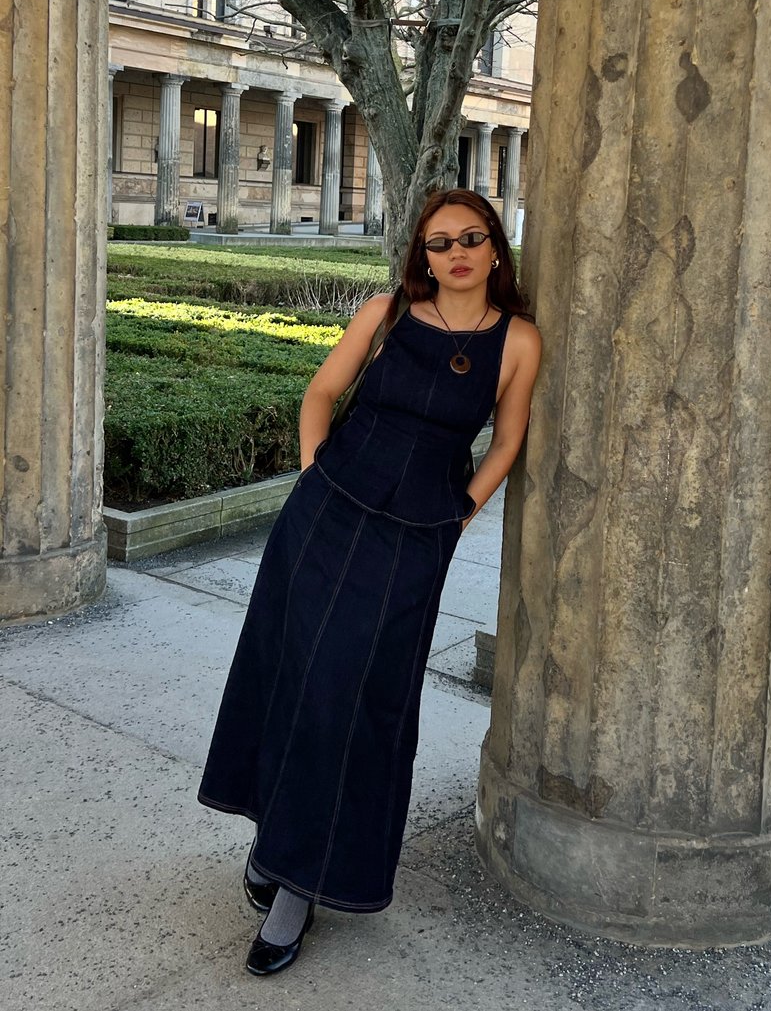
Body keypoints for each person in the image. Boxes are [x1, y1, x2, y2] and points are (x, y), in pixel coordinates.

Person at [198, 188, 542, 976]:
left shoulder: (518, 341)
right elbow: (319, 394)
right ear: (422, 255)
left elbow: (507, 441)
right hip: (325, 519)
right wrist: (317, 473)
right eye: (438, 242)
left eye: (470, 237)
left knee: (355, 704)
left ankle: (298, 877)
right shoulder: (384, 313)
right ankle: (278, 854)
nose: (454, 252)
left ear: (495, 247)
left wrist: (458, 514)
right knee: (292, 677)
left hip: (412, 542)